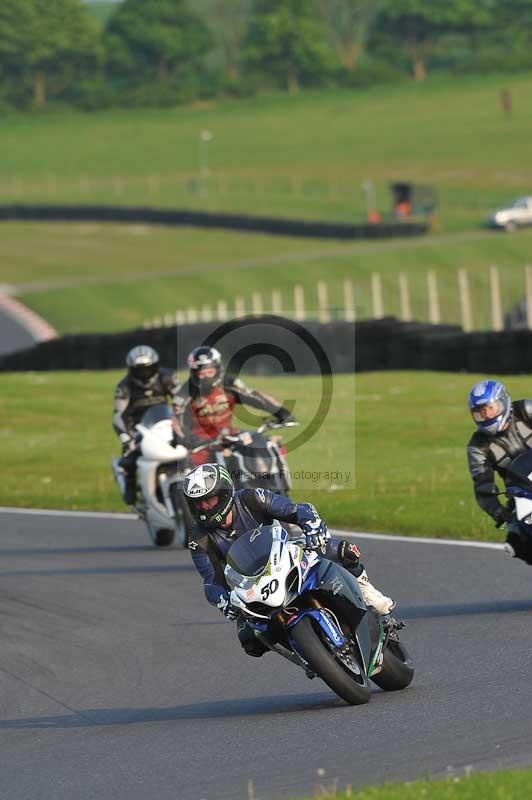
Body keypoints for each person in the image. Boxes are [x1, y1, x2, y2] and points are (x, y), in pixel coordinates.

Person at [184, 463, 395, 657]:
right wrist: (225, 602)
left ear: (223, 494)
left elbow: (298, 510)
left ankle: (369, 594)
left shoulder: (252, 498)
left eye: (208, 500)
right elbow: (212, 581)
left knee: (343, 551)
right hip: (251, 585)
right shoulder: (198, 539)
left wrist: (313, 527)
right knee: (251, 641)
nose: (203, 508)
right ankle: (306, 655)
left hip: (287, 553)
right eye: (197, 504)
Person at [173, 346, 294, 464]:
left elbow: (254, 396)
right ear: (193, 373)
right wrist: (192, 441)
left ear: (218, 368)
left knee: (267, 445)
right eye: (201, 374)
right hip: (201, 444)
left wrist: (281, 412)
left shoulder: (229, 383)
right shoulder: (184, 394)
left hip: (229, 435)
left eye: (209, 372)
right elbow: (176, 423)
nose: (205, 378)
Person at [467, 379, 532, 562]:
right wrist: (499, 512)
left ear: (503, 402)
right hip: (522, 493)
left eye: (490, 408)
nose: (487, 415)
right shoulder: (477, 447)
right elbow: (482, 485)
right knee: (516, 544)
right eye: (480, 412)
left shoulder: (525, 410)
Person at [113, 345, 180, 505]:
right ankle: (130, 488)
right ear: (131, 370)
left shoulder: (167, 377)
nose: (144, 374)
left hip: (164, 422)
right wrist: (126, 436)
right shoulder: (124, 386)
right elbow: (118, 415)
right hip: (138, 429)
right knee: (129, 458)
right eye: (139, 370)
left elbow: (182, 398)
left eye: (148, 369)